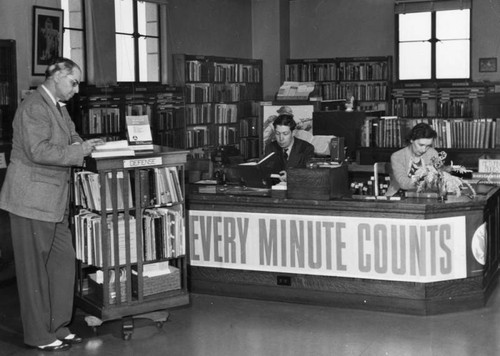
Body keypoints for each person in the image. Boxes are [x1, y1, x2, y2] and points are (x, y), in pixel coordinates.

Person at [0, 58, 103, 351]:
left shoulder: (58, 107)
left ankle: (58, 325)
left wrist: (85, 145)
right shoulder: (34, 106)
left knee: (62, 260)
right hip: (31, 200)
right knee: (34, 271)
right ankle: (39, 335)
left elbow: (71, 137)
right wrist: (78, 150)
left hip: (53, 201)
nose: (76, 89)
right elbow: (38, 150)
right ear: (57, 76)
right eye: (73, 82)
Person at [386, 122, 439, 196]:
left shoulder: (433, 153)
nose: (424, 149)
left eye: (428, 146)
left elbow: (437, 178)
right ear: (411, 140)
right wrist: (423, 183)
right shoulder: (397, 156)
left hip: (426, 195)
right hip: (398, 196)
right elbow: (403, 183)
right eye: (421, 145)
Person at [264, 114, 315, 182]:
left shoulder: (306, 148)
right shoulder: (270, 147)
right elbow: (267, 171)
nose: (281, 138)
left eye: (285, 134)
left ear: (293, 133)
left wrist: (291, 175)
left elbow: (310, 175)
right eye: (277, 133)